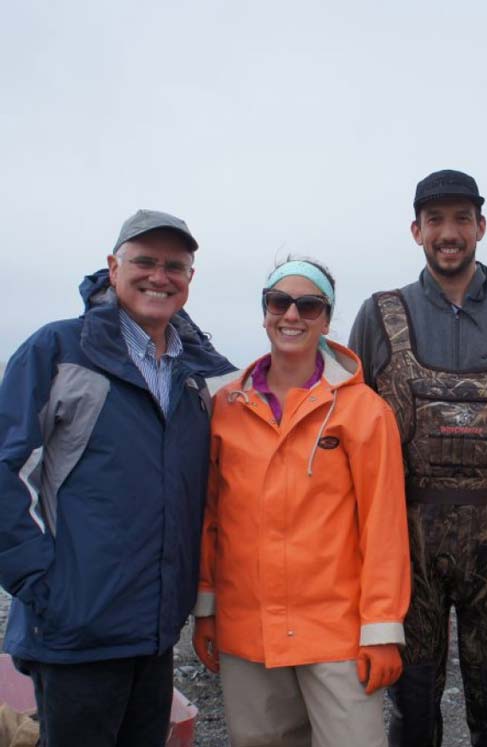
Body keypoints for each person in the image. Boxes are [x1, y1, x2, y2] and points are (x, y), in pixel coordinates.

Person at [0, 209, 235, 747]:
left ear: (190, 279)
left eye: (174, 265)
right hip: (75, 631)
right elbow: (7, 471)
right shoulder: (59, 351)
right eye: (144, 261)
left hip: (153, 632)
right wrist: (43, 584)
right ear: (113, 267)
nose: (160, 276)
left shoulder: (194, 375)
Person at [348, 170, 487, 746]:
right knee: (410, 706)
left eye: (462, 218)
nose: (449, 232)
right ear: (416, 230)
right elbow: (351, 426)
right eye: (435, 220)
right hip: (404, 540)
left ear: (480, 227)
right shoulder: (378, 313)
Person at [192, 258, 411, 747]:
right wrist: (206, 609)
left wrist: (382, 629)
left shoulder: (363, 411)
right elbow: (211, 516)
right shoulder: (227, 407)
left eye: (308, 304)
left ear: (327, 318)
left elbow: (384, 526)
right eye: (279, 302)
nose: (292, 314)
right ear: (264, 311)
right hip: (247, 631)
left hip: (336, 632)